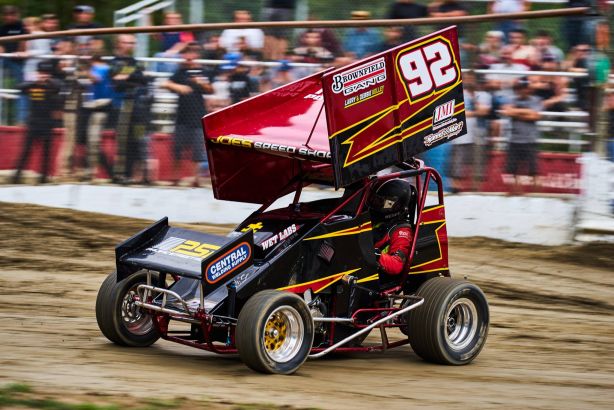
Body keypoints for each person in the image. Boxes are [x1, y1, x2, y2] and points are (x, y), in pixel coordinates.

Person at [163, 42, 213, 187]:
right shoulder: (180, 72)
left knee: (197, 151)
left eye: (191, 53)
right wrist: (177, 86)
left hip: (197, 116)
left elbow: (211, 89)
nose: (188, 56)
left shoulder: (202, 72)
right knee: (177, 149)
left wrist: (200, 82)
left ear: (196, 55)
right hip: (181, 116)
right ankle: (175, 178)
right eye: (186, 53)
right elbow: (165, 83)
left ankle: (196, 179)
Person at [109, 34, 151, 183]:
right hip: (123, 107)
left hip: (138, 108)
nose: (131, 45)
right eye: (127, 42)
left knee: (138, 139)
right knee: (123, 140)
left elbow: (145, 80)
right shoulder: (115, 62)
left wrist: (128, 75)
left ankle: (139, 175)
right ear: (119, 44)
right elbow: (117, 84)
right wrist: (136, 76)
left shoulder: (135, 62)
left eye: (133, 43)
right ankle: (121, 174)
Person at [12, 61, 62, 184]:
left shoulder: (53, 86)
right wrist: (35, 82)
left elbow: (59, 86)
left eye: (46, 73)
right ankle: (16, 176)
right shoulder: (32, 85)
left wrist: (46, 82)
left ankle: (44, 178)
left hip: (47, 123)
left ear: (50, 74)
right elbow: (19, 87)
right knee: (26, 150)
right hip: (33, 122)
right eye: (41, 73)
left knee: (46, 152)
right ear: (37, 73)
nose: (43, 75)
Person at [500, 77, 542, 194]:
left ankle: (537, 195)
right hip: (514, 140)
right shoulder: (511, 99)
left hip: (530, 140)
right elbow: (507, 111)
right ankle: (517, 194)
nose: (523, 90)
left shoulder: (535, 100)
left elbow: (535, 116)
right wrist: (526, 112)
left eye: (525, 88)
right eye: (520, 88)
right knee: (513, 172)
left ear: (529, 89)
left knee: (534, 171)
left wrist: (516, 112)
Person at [370, 178, 415, 276]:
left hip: (379, 276)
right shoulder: (377, 220)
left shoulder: (402, 231)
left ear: (397, 206)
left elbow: (397, 265)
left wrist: (375, 255)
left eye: (382, 202)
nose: (377, 205)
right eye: (376, 201)